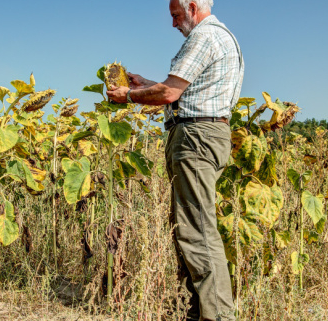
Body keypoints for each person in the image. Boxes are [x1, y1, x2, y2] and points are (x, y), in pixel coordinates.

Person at [107, 0, 243, 320]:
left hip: (196, 137)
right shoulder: (218, 37)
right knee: (186, 228)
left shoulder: (203, 37)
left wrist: (127, 96)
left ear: (192, 6)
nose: (173, 24)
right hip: (201, 134)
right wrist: (144, 86)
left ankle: (218, 316)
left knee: (197, 232)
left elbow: (169, 94)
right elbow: (180, 91)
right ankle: (195, 311)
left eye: (175, 15)